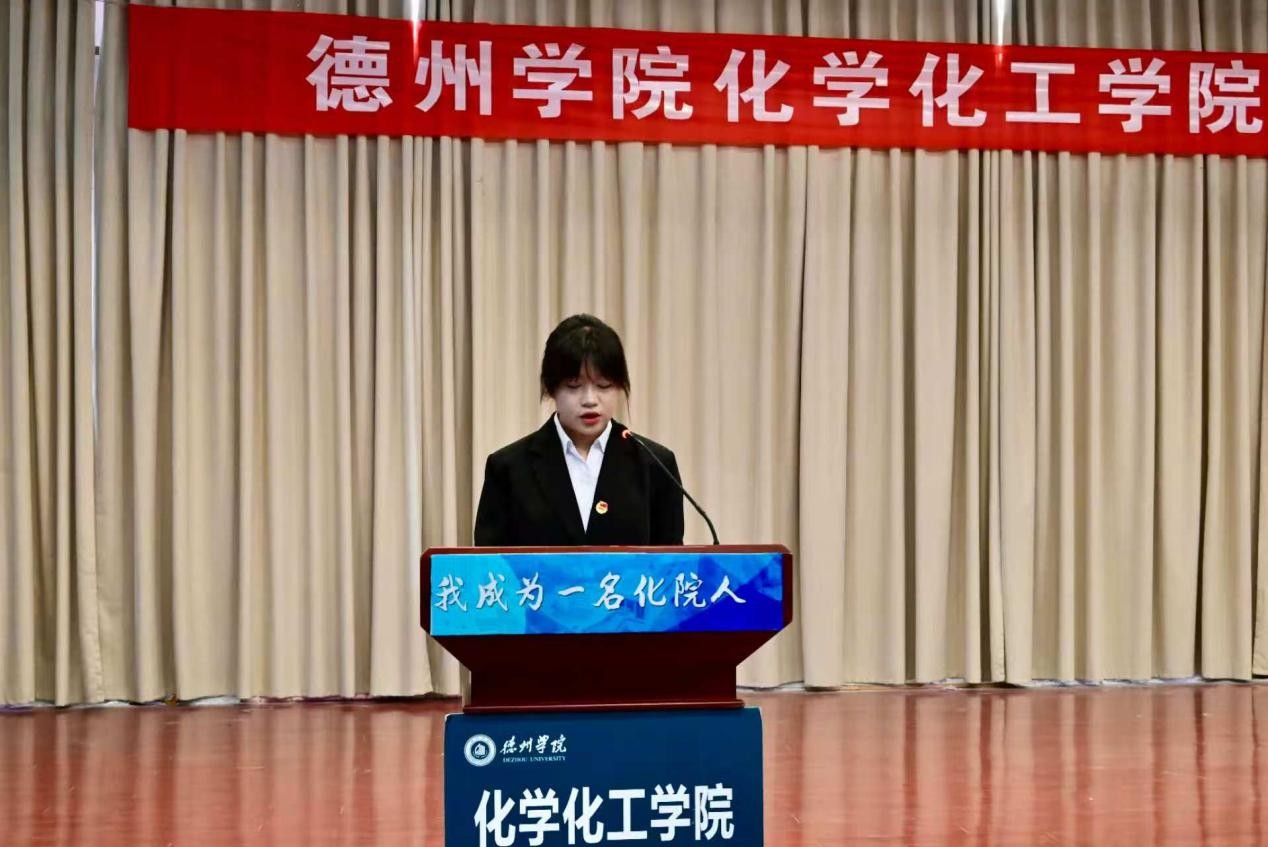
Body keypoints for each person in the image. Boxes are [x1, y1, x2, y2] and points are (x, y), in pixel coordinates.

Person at [473, 314, 685, 546]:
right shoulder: (508, 469)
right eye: (574, 386)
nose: (590, 400)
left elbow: (671, 561)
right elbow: (490, 562)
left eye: (603, 385)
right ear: (550, 388)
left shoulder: (656, 465)